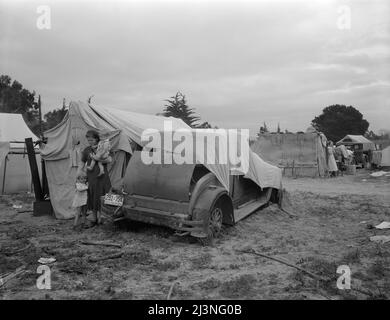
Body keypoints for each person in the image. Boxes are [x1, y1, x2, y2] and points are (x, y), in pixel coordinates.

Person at [77, 130, 112, 226]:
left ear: (97, 139)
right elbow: (82, 162)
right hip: (91, 177)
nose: (90, 141)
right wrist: (79, 172)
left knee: (102, 195)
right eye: (88, 140)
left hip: (102, 177)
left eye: (92, 140)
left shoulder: (103, 147)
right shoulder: (87, 150)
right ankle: (94, 217)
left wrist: (98, 158)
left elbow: (110, 159)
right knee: (92, 195)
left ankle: (101, 217)